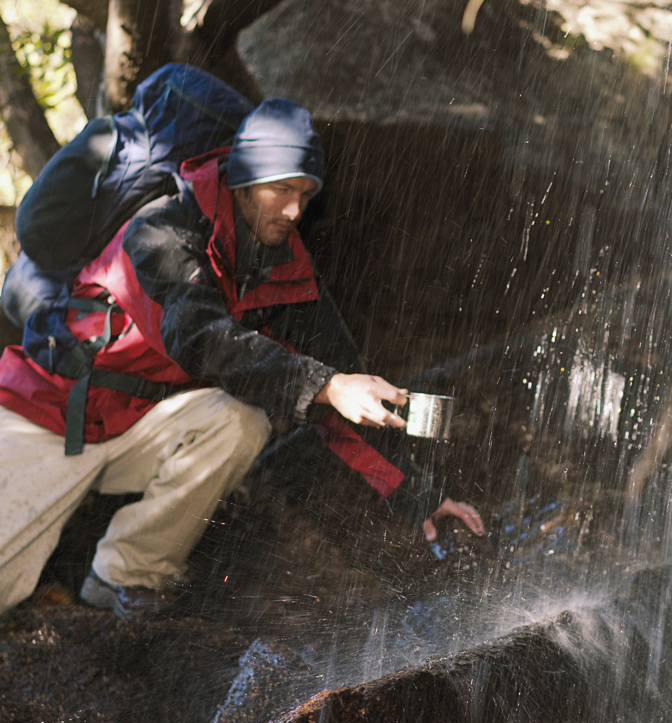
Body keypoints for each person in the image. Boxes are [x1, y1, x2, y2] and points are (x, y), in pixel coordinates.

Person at [0, 98, 483, 619]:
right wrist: (327, 386)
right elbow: (200, 338)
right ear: (242, 179)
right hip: (48, 411)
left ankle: (124, 578)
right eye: (281, 189)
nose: (294, 210)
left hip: (141, 424)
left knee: (239, 422)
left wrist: (420, 497)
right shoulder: (158, 233)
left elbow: (342, 387)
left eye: (305, 194)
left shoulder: (284, 268)